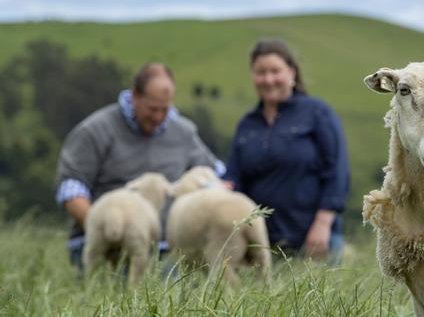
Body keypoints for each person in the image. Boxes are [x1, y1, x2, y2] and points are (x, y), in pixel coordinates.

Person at [55, 62, 226, 270]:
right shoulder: (95, 131)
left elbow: (214, 176)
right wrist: (103, 230)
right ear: (134, 94)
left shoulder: (183, 132)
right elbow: (71, 189)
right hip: (104, 247)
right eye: (152, 109)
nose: (158, 117)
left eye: (165, 109)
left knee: (183, 290)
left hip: (164, 250)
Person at [225, 38, 350, 263]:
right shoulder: (247, 125)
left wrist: (322, 226)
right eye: (260, 72)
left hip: (313, 241)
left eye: (275, 71)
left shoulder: (317, 113)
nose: (268, 79)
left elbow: (337, 173)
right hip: (261, 246)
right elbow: (234, 176)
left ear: (291, 72)